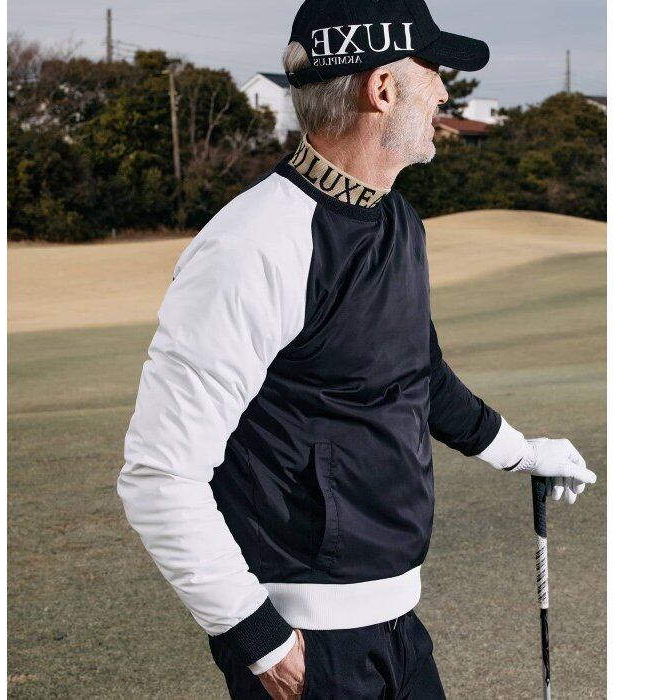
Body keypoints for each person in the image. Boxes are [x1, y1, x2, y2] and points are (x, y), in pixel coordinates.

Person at [117, 1, 597, 697]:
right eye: (433, 73)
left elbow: (419, 375)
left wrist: (523, 453)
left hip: (399, 626)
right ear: (383, 89)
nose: (444, 92)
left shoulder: (397, 219)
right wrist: (257, 639)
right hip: (305, 642)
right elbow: (160, 473)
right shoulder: (254, 244)